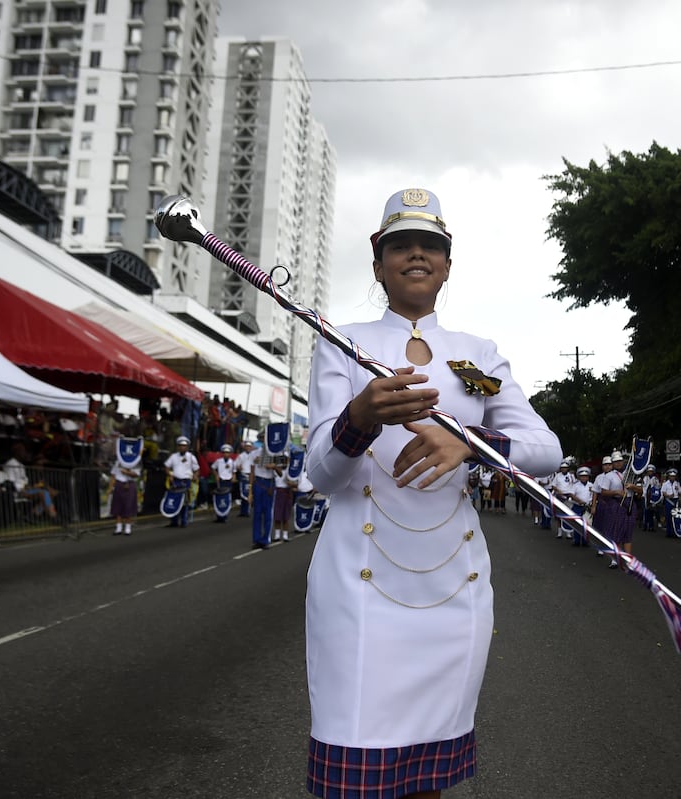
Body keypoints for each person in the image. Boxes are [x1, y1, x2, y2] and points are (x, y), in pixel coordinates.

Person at [303, 187, 561, 799]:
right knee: (355, 769)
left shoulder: (479, 353)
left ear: (447, 264)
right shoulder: (341, 340)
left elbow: (546, 450)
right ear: (378, 264)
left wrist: (472, 442)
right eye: (400, 245)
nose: (416, 256)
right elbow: (320, 474)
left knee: (427, 781)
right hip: (357, 584)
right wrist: (361, 415)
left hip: (453, 587)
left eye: (431, 247)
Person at [0, 443, 57, 520]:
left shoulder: (21, 465)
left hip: (26, 489)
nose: (24, 453)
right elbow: (10, 482)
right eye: (23, 451)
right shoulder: (10, 464)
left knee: (51, 493)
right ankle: (53, 516)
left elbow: (24, 480)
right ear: (17, 452)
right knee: (44, 493)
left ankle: (33, 514)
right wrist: (24, 487)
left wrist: (29, 486)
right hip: (18, 491)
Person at [163, 435, 199, 528]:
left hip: (186, 481)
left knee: (185, 502)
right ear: (178, 446)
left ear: (187, 447)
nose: (182, 447)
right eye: (180, 445)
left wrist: (195, 476)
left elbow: (197, 469)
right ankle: (174, 521)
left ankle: (184, 521)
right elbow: (166, 467)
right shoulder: (173, 456)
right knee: (175, 500)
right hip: (176, 481)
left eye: (184, 445)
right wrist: (169, 475)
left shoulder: (191, 457)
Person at [250, 443, 275, 549]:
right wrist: (250, 491)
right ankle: (257, 539)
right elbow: (251, 472)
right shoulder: (254, 453)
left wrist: (272, 465)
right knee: (257, 512)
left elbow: (282, 470)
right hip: (258, 482)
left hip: (269, 483)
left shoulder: (276, 453)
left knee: (268, 513)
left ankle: (265, 539)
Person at [212, 443, 236, 523]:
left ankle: (225, 515)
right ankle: (219, 516)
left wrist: (233, 477)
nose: (226, 454)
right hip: (221, 481)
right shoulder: (218, 461)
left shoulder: (232, 462)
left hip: (228, 481)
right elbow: (213, 468)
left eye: (227, 452)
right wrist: (216, 475)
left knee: (227, 498)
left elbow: (234, 471)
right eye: (224, 452)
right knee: (219, 498)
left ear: (230, 453)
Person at [271, 455, 292, 542]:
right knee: (277, 515)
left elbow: (293, 481)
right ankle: (277, 535)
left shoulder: (291, 471)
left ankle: (285, 535)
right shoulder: (276, 470)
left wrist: (290, 482)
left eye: (286, 460)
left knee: (285, 515)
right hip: (278, 492)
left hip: (287, 492)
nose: (284, 462)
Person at [234, 440, 255, 517]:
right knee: (243, 493)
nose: (248, 448)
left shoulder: (254, 455)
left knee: (250, 493)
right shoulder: (241, 456)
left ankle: (247, 511)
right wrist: (238, 467)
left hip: (251, 476)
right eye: (247, 446)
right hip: (243, 476)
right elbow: (235, 464)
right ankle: (243, 511)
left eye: (249, 446)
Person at [661, 467, 681, 537]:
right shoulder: (665, 483)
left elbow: (680, 492)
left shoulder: (677, 483)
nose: (672, 477)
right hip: (668, 501)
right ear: (669, 476)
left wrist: (678, 489)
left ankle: (675, 532)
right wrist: (669, 496)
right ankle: (669, 532)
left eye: (674, 476)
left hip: (675, 501)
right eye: (671, 476)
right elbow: (663, 492)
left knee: (675, 517)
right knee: (668, 517)